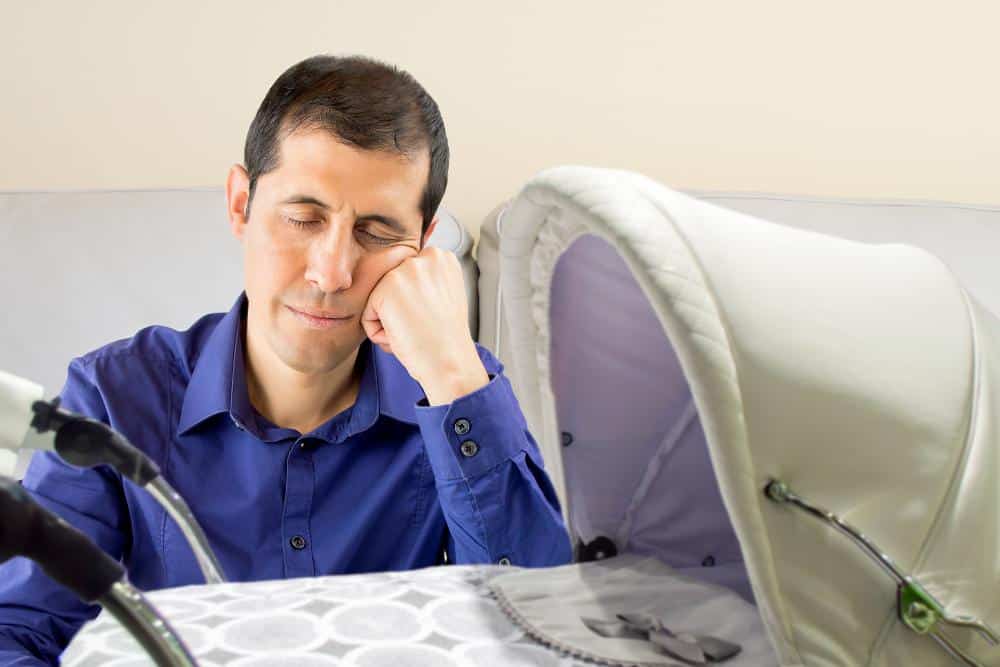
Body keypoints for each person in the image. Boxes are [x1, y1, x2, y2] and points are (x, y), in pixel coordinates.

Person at [0, 54, 571, 664]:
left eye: (377, 233)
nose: (332, 272)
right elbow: (21, 631)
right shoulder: (114, 394)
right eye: (304, 218)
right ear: (241, 204)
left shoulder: (457, 393)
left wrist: (454, 372)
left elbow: (539, 627)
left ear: (423, 246)